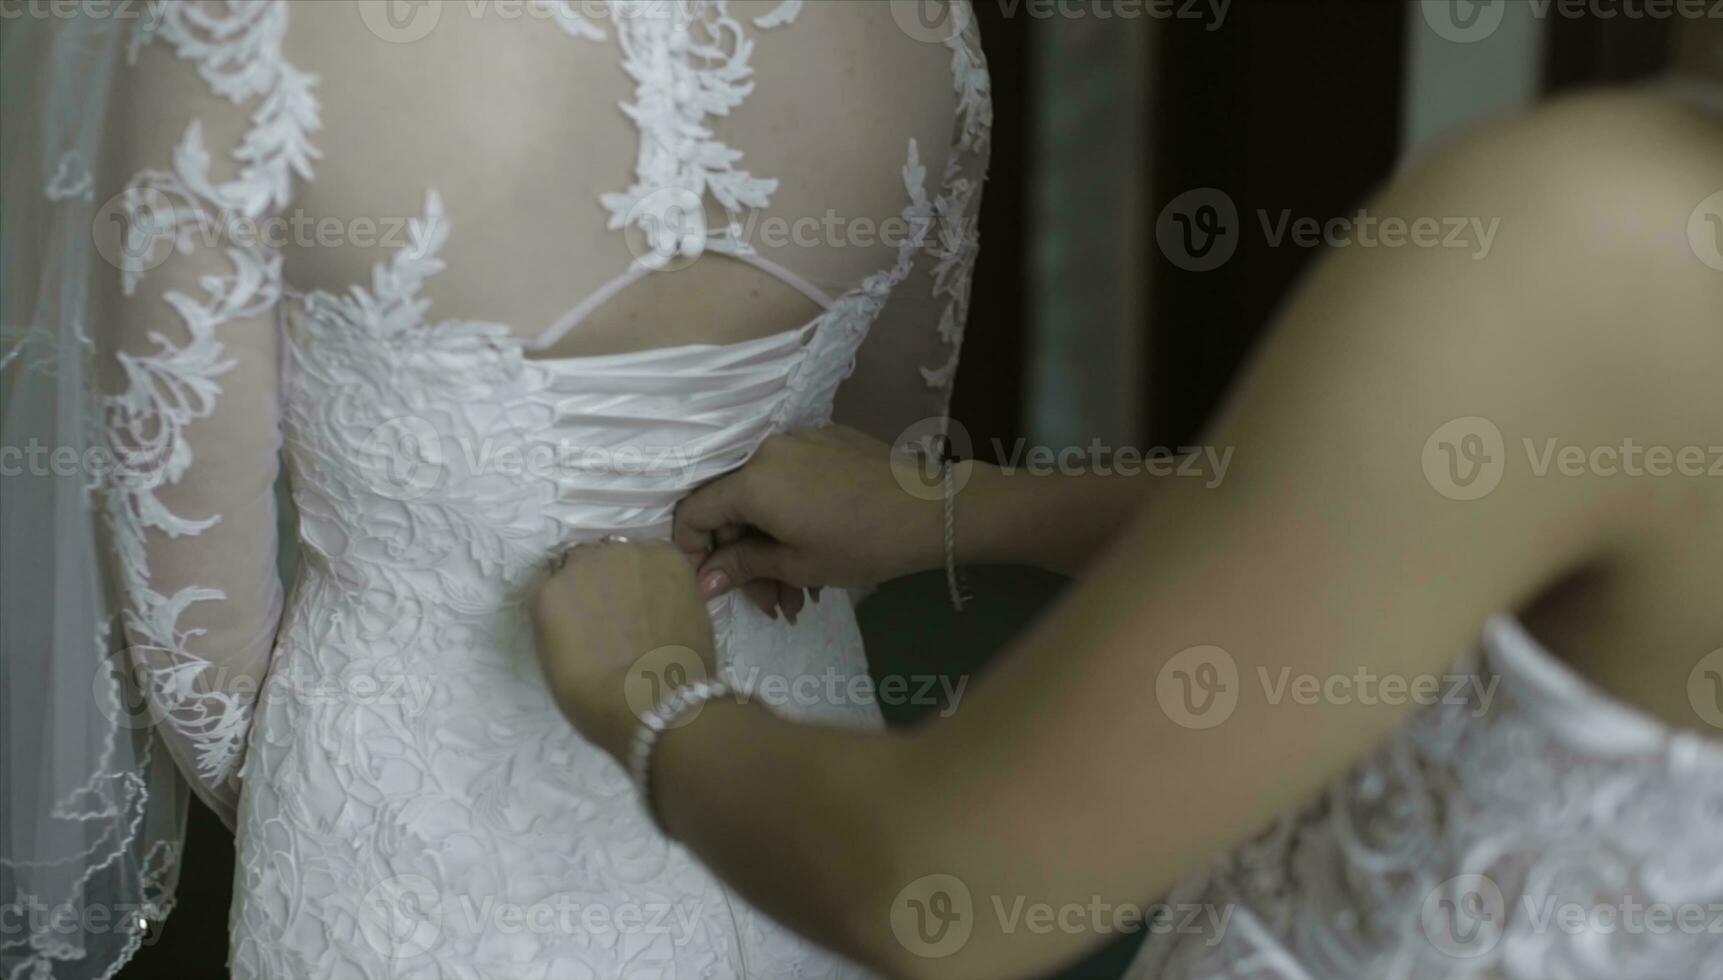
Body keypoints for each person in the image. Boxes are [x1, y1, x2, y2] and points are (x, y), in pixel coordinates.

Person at [533, 78, 1723, 979]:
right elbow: (1431, 525)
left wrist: (650, 697)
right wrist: (961, 510)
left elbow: (934, 886)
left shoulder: (1606, 235)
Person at [1, 2, 988, 977]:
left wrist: (340, 787)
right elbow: (871, 490)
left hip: (398, 839)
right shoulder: (922, 25)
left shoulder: (236, 35)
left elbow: (190, 630)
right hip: (789, 794)